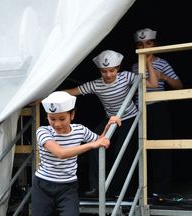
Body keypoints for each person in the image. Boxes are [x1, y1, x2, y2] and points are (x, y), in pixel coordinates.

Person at [30, 91, 118, 216]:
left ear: (72, 115)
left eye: (62, 119)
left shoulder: (80, 130)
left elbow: (100, 140)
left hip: (68, 187)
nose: (57, 124)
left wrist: (109, 125)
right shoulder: (43, 131)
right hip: (43, 186)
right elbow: (61, 153)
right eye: (52, 118)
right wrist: (91, 145)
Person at [65, 49, 159, 198]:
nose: (108, 75)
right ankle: (96, 187)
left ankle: (119, 191)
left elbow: (153, 84)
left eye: (112, 70)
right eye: (104, 71)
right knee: (94, 143)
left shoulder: (126, 77)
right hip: (110, 119)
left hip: (129, 118)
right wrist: (46, 96)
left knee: (122, 150)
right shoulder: (96, 84)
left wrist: (148, 63)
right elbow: (72, 92)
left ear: (118, 68)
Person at [132, 28, 183, 195]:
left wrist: (164, 77)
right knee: (140, 147)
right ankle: (141, 187)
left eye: (148, 43)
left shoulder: (162, 62)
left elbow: (179, 86)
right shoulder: (134, 66)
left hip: (159, 107)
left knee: (161, 148)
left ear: (155, 44)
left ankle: (160, 188)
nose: (145, 47)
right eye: (141, 44)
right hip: (139, 109)